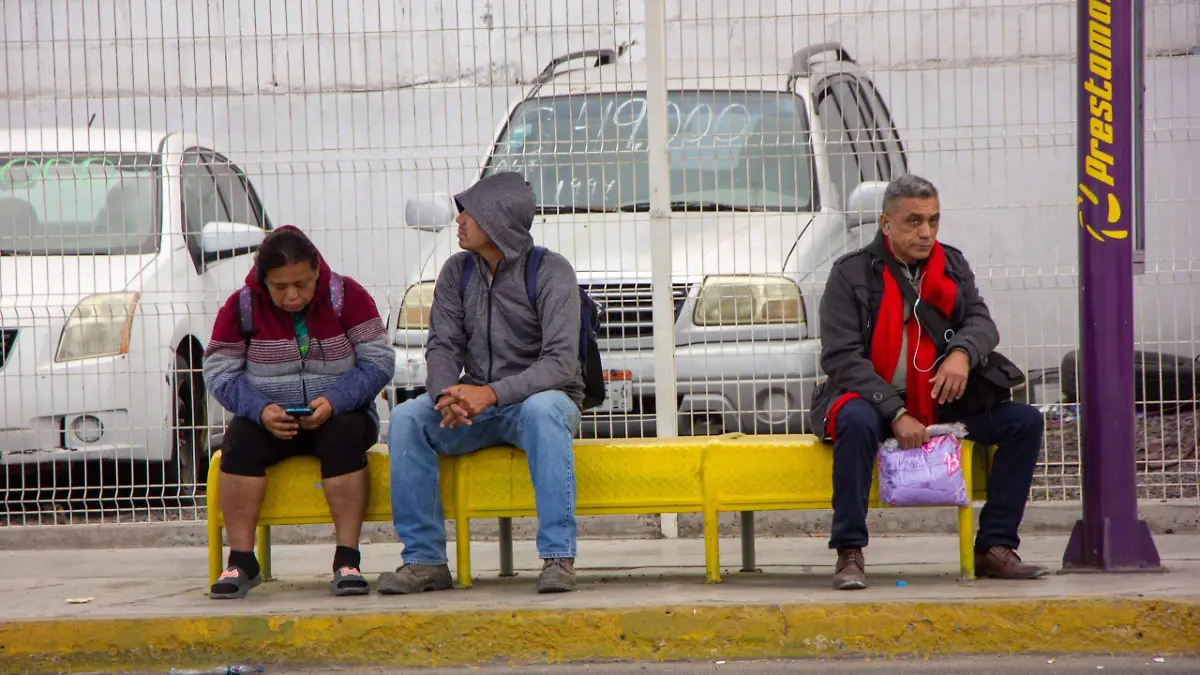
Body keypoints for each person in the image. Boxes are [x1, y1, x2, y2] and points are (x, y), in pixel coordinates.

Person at [809, 174, 1047, 590]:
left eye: (933, 221)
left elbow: (981, 323)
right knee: (857, 422)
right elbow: (841, 357)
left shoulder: (951, 266)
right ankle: (849, 550)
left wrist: (962, 354)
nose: (926, 232)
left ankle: (994, 546)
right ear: (886, 223)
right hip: (870, 400)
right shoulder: (851, 274)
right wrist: (895, 411)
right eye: (914, 221)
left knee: (1023, 423)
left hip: (937, 400)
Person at [380, 172, 584, 595]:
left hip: (537, 404)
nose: (459, 221)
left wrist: (490, 393)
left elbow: (562, 364)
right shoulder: (457, 271)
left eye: (468, 212)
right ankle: (424, 562)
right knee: (405, 418)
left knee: (544, 410)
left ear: (497, 220)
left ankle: (558, 558)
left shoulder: (551, 272)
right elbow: (442, 345)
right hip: (474, 406)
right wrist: (444, 396)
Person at [202, 225, 395, 599]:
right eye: (280, 288)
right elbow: (220, 373)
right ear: (263, 280)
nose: (292, 296)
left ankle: (347, 558)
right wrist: (260, 411)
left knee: (345, 438)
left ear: (317, 273)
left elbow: (378, 362)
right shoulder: (240, 306)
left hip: (340, 415)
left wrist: (335, 400)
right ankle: (241, 560)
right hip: (270, 421)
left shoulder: (349, 296)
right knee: (238, 441)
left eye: (302, 285)